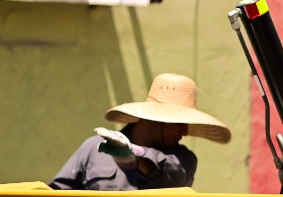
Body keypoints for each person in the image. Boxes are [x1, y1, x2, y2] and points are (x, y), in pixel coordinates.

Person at [50, 73, 231, 191]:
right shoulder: (93, 149)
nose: (185, 131)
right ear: (156, 118)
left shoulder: (184, 160)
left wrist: (136, 156)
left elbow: (173, 178)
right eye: (180, 122)